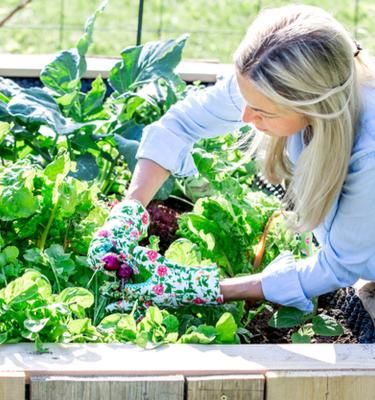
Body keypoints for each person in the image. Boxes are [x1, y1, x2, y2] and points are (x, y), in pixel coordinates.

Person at [88, 4, 375, 314]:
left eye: (263, 113)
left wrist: (205, 288)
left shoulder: (368, 151)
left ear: (314, 106)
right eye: (246, 100)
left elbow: (339, 265)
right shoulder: (264, 81)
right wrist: (130, 209)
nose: (245, 116)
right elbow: (177, 127)